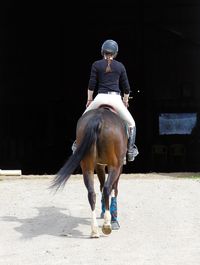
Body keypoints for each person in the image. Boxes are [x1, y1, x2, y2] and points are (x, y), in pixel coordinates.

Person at [72, 39, 138, 162]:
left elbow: (92, 84)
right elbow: (127, 88)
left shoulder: (96, 64)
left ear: (102, 51)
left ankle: (77, 145)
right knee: (132, 124)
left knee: (82, 119)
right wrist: (125, 101)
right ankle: (129, 151)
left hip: (100, 97)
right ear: (115, 53)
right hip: (115, 99)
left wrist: (89, 99)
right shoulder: (120, 66)